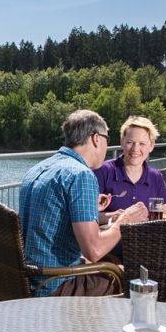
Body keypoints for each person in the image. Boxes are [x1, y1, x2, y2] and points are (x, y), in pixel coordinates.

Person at [19, 109, 147, 297]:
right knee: (127, 277)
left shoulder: (39, 168)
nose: (107, 146)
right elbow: (93, 251)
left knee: (110, 261)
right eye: (106, 139)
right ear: (96, 138)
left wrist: (96, 211)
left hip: (27, 279)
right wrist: (125, 221)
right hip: (55, 284)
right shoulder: (81, 175)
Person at [94, 116, 166, 230]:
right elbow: (86, 216)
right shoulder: (103, 171)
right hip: (112, 244)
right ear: (121, 142)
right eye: (130, 142)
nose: (135, 149)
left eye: (142, 144)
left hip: (148, 243)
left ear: (151, 146)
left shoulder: (156, 177)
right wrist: (115, 217)